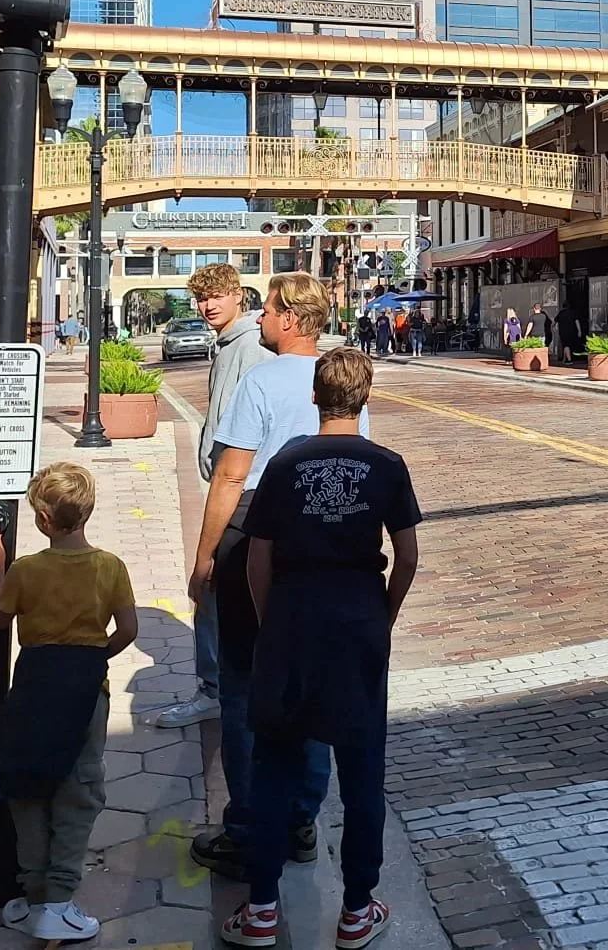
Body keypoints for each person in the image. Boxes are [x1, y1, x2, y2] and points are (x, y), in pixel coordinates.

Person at [220, 347, 419, 950]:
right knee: (362, 771)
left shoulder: (285, 462)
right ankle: (357, 909)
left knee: (274, 762)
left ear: (315, 396)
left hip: (292, 615)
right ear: (365, 397)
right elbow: (407, 557)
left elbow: (257, 557)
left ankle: (260, 907)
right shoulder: (386, 464)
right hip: (357, 616)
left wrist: (269, 620)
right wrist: (384, 615)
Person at [189, 273, 370, 882]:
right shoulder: (337, 382)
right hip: (322, 529)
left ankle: (247, 825)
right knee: (309, 679)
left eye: (266, 309)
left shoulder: (261, 379)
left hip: (255, 527)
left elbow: (230, 475)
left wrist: (204, 557)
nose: (260, 319)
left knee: (244, 685)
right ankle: (300, 818)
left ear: (290, 318)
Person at [0, 462, 137, 944]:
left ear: (43, 520)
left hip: (33, 687)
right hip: (86, 692)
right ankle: (60, 900)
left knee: (27, 784)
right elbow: (128, 630)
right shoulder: (109, 567)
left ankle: (33, 893)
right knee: (78, 787)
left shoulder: (26, 570)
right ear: (88, 512)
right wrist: (94, 657)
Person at [152, 264, 273, 731]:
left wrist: (226, 475)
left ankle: (218, 689)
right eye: (202, 298)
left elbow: (247, 424)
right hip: (236, 481)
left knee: (211, 582)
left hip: (240, 486)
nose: (208, 305)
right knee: (224, 588)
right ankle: (225, 684)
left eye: (217, 295)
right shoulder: (228, 343)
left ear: (239, 295)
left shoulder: (249, 346)